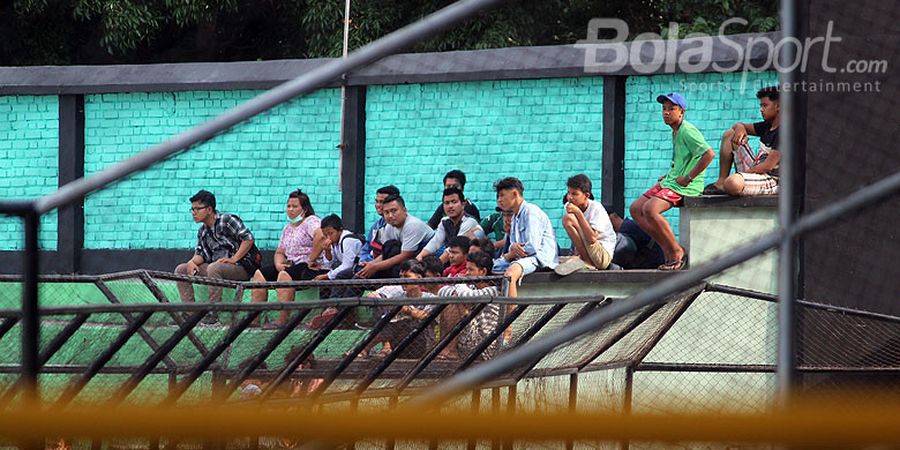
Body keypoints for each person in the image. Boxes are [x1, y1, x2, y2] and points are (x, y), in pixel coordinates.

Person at [629, 92, 715, 271]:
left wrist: (688, 177)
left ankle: (676, 251)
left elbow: (708, 154)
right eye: (664, 109)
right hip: (672, 180)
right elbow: (685, 158)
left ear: (682, 112)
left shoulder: (687, 130)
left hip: (686, 185)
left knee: (650, 209)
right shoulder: (675, 130)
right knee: (636, 209)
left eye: (672, 109)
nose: (666, 112)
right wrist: (671, 173)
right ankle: (666, 247)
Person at [249, 189, 328, 327]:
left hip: (308, 266)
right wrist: (279, 264)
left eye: (295, 206)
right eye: (288, 206)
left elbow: (320, 236)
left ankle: (282, 321)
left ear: (304, 209)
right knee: (259, 274)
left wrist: (312, 259)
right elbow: (280, 252)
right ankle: (254, 319)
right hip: (290, 264)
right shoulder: (288, 228)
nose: (290, 210)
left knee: (284, 276)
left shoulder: (311, 221)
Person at [175, 190, 259, 306]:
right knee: (181, 269)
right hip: (215, 269)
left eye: (197, 209)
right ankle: (189, 312)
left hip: (240, 268)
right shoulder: (203, 231)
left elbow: (248, 239)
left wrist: (234, 259)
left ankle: (213, 313)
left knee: (214, 268)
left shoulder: (227, 220)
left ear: (209, 210)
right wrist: (191, 262)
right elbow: (201, 254)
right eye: (192, 209)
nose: (193, 213)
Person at [704, 86, 781, 196]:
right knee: (730, 134)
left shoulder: (785, 132)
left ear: (778, 106)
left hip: (772, 180)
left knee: (732, 183)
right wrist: (740, 128)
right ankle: (721, 182)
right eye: (761, 106)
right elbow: (739, 125)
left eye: (765, 105)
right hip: (756, 171)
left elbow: (767, 166)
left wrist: (743, 175)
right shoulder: (767, 126)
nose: (761, 109)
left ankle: (730, 183)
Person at [492, 177, 558, 298]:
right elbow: (513, 245)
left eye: (502, 195)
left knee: (510, 275)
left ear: (515, 194)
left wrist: (514, 251)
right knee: (493, 267)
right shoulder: (514, 217)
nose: (499, 200)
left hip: (539, 259)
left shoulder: (530, 212)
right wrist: (512, 249)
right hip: (522, 258)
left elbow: (532, 247)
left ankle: (511, 316)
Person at [436, 250, 502, 360]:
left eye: (470, 270)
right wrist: (459, 288)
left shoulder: (494, 291)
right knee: (453, 300)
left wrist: (459, 282)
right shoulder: (471, 287)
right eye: (466, 269)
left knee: (456, 302)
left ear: (483, 271)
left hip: (485, 343)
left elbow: (468, 296)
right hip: (468, 337)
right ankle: (447, 349)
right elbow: (442, 292)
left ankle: (449, 349)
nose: (466, 273)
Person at [356, 194, 434, 279]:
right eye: (386, 212)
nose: (390, 215)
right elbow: (386, 253)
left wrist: (375, 267)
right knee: (357, 272)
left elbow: (405, 255)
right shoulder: (389, 227)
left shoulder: (412, 225)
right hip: (405, 262)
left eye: (394, 211)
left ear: (404, 210)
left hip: (428, 263)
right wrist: (371, 265)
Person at [556, 174, 617, 275]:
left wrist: (579, 214)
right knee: (554, 261)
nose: (570, 198)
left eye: (575, 194)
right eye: (568, 193)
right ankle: (581, 260)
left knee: (569, 219)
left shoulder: (596, 208)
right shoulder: (569, 205)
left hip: (602, 255)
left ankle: (586, 262)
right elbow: (577, 234)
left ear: (587, 196)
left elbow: (592, 238)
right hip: (586, 252)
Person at [417, 187, 483, 262]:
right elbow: (436, 242)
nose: (450, 206)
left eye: (454, 202)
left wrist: (435, 266)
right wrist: (420, 256)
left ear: (463, 204)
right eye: (447, 203)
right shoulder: (444, 221)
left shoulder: (470, 222)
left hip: (471, 263)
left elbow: (454, 248)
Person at [312, 214, 364, 282]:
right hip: (348, 270)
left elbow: (347, 265)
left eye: (331, 233)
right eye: (325, 235)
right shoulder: (334, 242)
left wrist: (327, 276)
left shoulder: (347, 240)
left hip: (359, 268)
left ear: (340, 230)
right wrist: (328, 251)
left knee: (339, 276)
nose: (328, 237)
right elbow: (328, 264)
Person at [359, 185, 400, 264]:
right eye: (377, 201)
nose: (377, 205)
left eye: (382, 202)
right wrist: (363, 262)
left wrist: (372, 265)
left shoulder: (398, 226)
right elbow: (366, 248)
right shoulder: (376, 226)